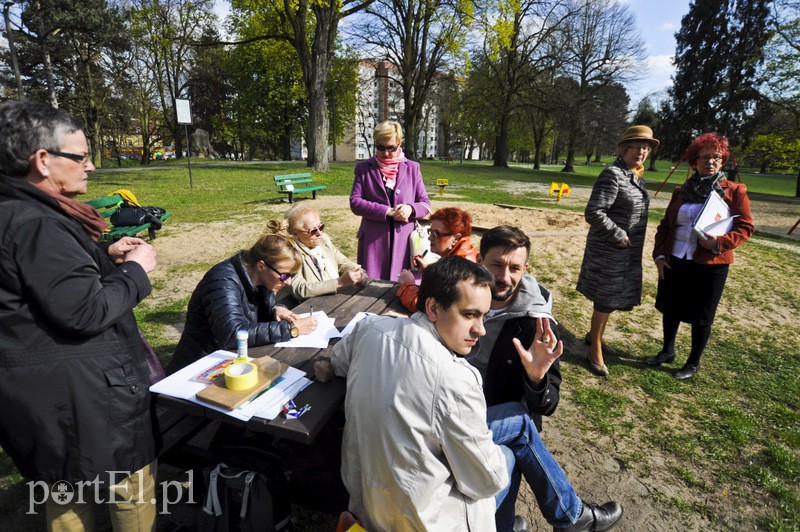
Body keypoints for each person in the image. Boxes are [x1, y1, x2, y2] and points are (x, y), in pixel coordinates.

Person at [0, 100, 158, 530]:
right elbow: (85, 311)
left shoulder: (18, 211)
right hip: (83, 401)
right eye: (81, 156)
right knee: (127, 493)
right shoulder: (39, 223)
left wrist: (103, 255)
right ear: (43, 161)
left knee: (64, 492)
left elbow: (39, 282)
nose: (90, 166)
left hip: (44, 400)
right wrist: (136, 273)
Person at [331, 257, 509, 530]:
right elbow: (487, 481)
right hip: (423, 521)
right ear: (434, 308)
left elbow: (338, 362)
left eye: (484, 315)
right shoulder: (457, 379)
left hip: (364, 503)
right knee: (508, 455)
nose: (481, 329)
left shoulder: (370, 328)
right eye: (469, 314)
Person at [473, 225, 624, 532]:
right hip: (456, 411)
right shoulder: (463, 300)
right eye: (496, 265)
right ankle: (564, 518)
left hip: (494, 421)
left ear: (525, 268)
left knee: (509, 450)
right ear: (479, 261)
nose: (504, 277)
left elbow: (548, 403)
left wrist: (536, 377)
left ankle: (514, 522)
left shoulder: (536, 323)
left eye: (514, 268)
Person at [647, 132, 754, 379]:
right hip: (676, 259)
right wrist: (660, 256)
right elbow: (665, 226)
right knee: (671, 307)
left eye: (716, 157)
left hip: (710, 264)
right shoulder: (681, 191)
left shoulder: (734, 191)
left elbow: (746, 227)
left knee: (702, 314)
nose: (710, 161)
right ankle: (667, 351)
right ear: (694, 161)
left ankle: (693, 362)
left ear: (722, 161)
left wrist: (719, 242)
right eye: (704, 157)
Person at [168, 224, 318, 373]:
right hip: (199, 368)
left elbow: (251, 311)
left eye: (292, 276)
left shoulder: (263, 278)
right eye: (285, 275)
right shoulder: (223, 280)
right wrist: (291, 329)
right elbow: (232, 333)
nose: (288, 282)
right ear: (261, 266)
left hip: (232, 362)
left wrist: (275, 309)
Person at [576, 125, 658, 376]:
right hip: (610, 251)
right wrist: (618, 234)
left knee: (610, 299)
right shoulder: (612, 174)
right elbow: (594, 211)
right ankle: (595, 348)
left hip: (626, 253)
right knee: (605, 299)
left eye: (645, 147)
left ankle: (593, 336)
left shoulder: (634, 175)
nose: (641, 151)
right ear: (624, 148)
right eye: (636, 146)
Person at [350, 120, 431, 281]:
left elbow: (425, 203)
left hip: (405, 243)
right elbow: (355, 202)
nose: (386, 153)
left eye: (391, 148)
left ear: (399, 143)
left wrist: (410, 209)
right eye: (380, 147)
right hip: (374, 242)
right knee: (373, 290)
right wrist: (387, 211)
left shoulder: (412, 168)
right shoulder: (364, 168)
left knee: (405, 289)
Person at [279, 203, 368, 303]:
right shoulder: (289, 252)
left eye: (321, 227)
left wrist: (358, 272)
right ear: (295, 233)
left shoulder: (324, 240)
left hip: (334, 301)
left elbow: (343, 262)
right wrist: (340, 282)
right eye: (313, 231)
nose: (319, 233)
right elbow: (300, 289)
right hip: (307, 307)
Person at [396, 206, 479, 312]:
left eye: (436, 234)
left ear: (456, 238)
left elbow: (429, 309)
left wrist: (407, 286)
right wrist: (428, 271)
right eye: (430, 232)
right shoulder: (466, 255)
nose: (429, 238)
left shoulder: (457, 269)